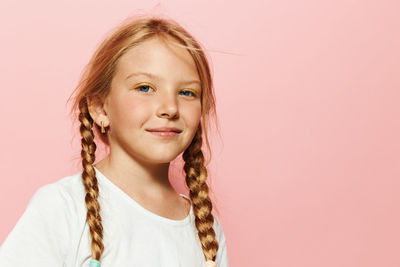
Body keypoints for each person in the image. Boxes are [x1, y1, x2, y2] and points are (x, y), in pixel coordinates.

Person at [0, 15, 229, 267]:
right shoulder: (62, 207)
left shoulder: (207, 230)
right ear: (100, 108)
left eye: (187, 92)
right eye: (145, 88)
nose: (170, 108)